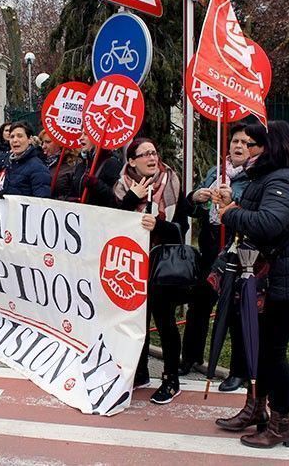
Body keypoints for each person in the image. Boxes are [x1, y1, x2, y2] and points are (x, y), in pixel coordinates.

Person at [213, 120, 289, 449]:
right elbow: (262, 213)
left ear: (273, 147)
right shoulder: (270, 177)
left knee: (273, 352)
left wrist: (230, 212)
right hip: (269, 276)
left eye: (256, 143)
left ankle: (282, 422)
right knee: (256, 347)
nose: (249, 148)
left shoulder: (284, 179)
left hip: (285, 279)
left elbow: (269, 223)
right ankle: (256, 410)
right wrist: (238, 205)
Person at [114, 137, 189, 404]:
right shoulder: (123, 186)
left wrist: (157, 225)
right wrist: (131, 200)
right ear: (131, 161)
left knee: (165, 322)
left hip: (162, 265)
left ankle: (171, 379)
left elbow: (181, 228)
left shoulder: (171, 183)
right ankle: (141, 372)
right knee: (138, 322)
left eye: (154, 152)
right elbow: (112, 223)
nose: (152, 158)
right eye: (144, 154)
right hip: (132, 264)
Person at [180, 123, 251, 392]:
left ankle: (237, 371)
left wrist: (232, 199)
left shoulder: (253, 177)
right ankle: (190, 358)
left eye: (245, 142)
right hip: (211, 248)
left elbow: (252, 208)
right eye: (234, 141)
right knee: (200, 303)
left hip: (236, 250)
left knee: (233, 311)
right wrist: (196, 197)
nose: (238, 146)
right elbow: (194, 209)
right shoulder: (216, 171)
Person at [68, 133, 123, 207]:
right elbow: (72, 192)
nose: (81, 138)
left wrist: (97, 184)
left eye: (86, 134)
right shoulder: (82, 164)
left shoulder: (112, 163)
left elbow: (116, 199)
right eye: (81, 134)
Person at [0, 122, 51, 198]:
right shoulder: (10, 164)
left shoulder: (38, 168)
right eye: (12, 137)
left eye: (20, 136)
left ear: (29, 139)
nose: (15, 140)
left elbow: (42, 202)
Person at [38, 130, 80, 199]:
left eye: (48, 142)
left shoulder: (73, 165)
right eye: (43, 143)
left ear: (60, 143)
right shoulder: (40, 162)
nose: (43, 146)